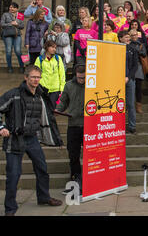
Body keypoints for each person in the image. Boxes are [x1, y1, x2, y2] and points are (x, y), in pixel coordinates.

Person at [0, 66, 63, 216]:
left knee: (42, 168)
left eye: (38, 77)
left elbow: (48, 117)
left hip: (32, 138)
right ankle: (10, 208)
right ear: (26, 77)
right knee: (13, 175)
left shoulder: (40, 96)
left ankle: (43, 197)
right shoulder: (13, 94)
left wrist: (55, 138)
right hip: (14, 139)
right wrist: (1, 127)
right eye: (33, 77)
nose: (36, 80)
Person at [56, 63, 86, 196]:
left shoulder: (92, 84)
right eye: (80, 78)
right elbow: (63, 101)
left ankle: (87, 180)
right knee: (73, 154)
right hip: (73, 125)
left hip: (89, 125)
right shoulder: (69, 85)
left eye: (84, 78)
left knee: (90, 154)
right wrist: (58, 110)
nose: (82, 80)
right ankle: (76, 180)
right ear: (75, 75)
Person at [34, 40, 66, 110]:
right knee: (43, 109)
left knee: (52, 109)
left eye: (55, 47)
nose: (54, 49)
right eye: (52, 47)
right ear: (47, 48)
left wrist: (62, 87)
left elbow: (62, 74)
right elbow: (35, 74)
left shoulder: (58, 59)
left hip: (55, 89)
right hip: (43, 88)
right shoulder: (39, 59)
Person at [118, 30, 139, 133]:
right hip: (117, 80)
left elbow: (135, 66)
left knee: (130, 104)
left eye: (128, 37)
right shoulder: (115, 48)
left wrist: (128, 77)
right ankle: (117, 126)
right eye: (126, 37)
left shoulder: (133, 49)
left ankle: (132, 126)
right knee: (117, 104)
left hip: (129, 80)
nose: (128, 39)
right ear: (120, 38)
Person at [1, 2, 25, 73]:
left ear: (16, 9)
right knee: (8, 51)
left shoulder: (20, 15)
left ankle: (22, 66)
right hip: (8, 35)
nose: (11, 8)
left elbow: (22, 26)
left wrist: (17, 24)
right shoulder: (5, 15)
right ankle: (9, 67)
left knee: (18, 51)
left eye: (13, 7)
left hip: (17, 35)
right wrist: (11, 24)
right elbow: (2, 24)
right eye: (10, 7)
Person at [129, 29, 148, 114]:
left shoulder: (141, 44)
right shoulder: (127, 44)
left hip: (138, 66)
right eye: (132, 35)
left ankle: (138, 106)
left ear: (138, 35)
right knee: (129, 87)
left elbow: (144, 54)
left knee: (139, 88)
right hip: (129, 67)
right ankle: (129, 105)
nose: (134, 36)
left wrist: (136, 50)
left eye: (135, 35)